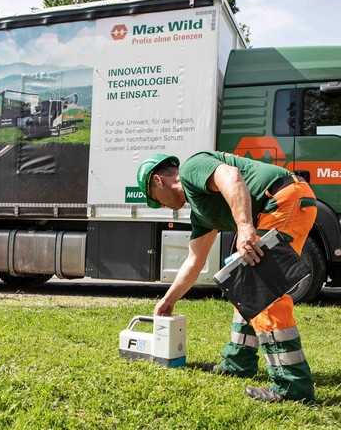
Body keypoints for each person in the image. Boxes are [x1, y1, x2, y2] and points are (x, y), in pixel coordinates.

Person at [135, 151, 318, 403]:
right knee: (242, 282)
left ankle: (292, 387)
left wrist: (244, 227)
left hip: (282, 199)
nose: (162, 206)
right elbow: (194, 262)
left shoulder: (192, 168)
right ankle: (239, 361)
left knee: (263, 291)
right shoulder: (201, 213)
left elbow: (231, 176)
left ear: (158, 181)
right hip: (282, 203)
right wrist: (168, 301)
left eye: (156, 200)